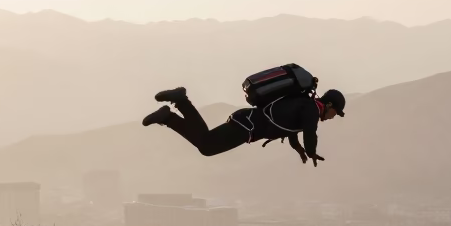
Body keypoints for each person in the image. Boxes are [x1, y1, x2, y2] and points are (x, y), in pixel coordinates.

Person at [142, 85, 345, 165]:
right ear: (328, 105)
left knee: (206, 144)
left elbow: (291, 129)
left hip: (246, 122)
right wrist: (311, 151)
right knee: (206, 146)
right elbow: (310, 132)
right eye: (336, 112)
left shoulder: (305, 105)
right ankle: (175, 109)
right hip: (247, 126)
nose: (334, 117)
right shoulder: (311, 109)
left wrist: (299, 149)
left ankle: (173, 111)